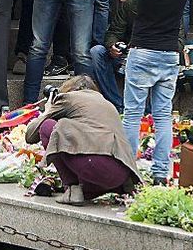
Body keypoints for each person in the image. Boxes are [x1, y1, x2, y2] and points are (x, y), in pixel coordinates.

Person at [100, 0, 191, 185]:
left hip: (142, 52)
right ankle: (161, 173)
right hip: (169, 54)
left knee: (133, 114)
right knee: (163, 115)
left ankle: (129, 171)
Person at [25, 75, 141, 205]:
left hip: (94, 165)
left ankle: (72, 189)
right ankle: (85, 189)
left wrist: (47, 111)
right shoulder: (107, 103)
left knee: (48, 126)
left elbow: (30, 136)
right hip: (120, 176)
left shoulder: (69, 97)